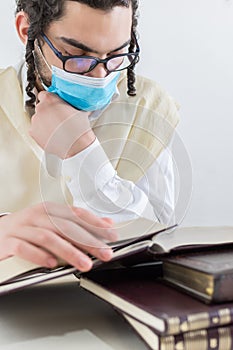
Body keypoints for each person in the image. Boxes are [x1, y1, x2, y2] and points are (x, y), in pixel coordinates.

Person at [0, 0, 179, 272]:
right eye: (78, 58)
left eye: (117, 55)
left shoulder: (149, 107)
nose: (100, 76)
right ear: (26, 30)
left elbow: (156, 241)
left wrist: (82, 151)